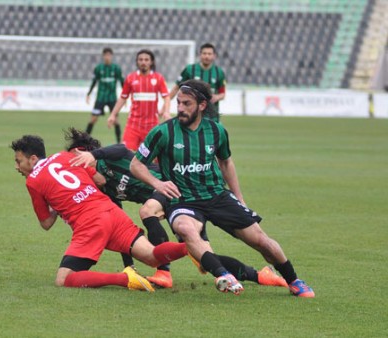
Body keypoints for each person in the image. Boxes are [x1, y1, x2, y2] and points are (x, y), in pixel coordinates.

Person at [129, 79, 314, 297]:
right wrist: (157, 183)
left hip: (217, 195)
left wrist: (239, 197)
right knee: (186, 229)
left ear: (202, 105)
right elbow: (136, 164)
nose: (180, 108)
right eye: (178, 103)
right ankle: (223, 275)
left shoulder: (217, 131)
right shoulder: (163, 132)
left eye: (186, 104)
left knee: (261, 241)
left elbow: (226, 162)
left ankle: (293, 280)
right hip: (183, 200)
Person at [66, 128, 288, 291]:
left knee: (147, 211)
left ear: (87, 155)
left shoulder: (110, 159)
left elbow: (121, 148)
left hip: (173, 188)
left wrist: (95, 155)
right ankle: (260, 275)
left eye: (78, 160)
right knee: (202, 256)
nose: (76, 167)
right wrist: (130, 266)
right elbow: (120, 227)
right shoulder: (104, 189)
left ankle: (164, 272)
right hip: (175, 206)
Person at [11, 135, 189, 291]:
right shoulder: (65, 156)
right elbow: (100, 179)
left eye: (19, 161)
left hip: (89, 223)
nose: (17, 167)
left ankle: (125, 278)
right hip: (111, 211)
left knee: (64, 279)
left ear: (33, 159)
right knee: (152, 257)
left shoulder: (32, 181)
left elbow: (46, 223)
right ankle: (191, 246)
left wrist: (58, 202)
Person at [107, 49, 170, 151]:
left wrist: (166, 111)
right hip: (133, 125)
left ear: (151, 62)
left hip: (152, 125)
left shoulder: (158, 78)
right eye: (140, 59)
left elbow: (166, 96)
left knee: (154, 157)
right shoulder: (130, 78)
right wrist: (113, 114)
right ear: (137, 62)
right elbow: (123, 98)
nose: (143, 62)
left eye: (146, 59)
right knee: (126, 154)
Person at [169, 43, 226, 122]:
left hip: (212, 116)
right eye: (204, 53)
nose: (207, 56)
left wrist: (216, 97)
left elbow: (222, 94)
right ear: (200, 55)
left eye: (209, 54)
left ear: (214, 56)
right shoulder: (189, 69)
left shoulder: (219, 72)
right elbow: (176, 88)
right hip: (190, 114)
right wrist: (166, 106)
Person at [85, 47, 124, 143]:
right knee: (93, 119)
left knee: (116, 121)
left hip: (112, 98)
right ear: (103, 56)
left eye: (109, 55)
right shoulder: (98, 68)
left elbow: (122, 82)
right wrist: (88, 93)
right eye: (105, 55)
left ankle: (119, 143)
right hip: (100, 98)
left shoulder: (116, 68)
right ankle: (84, 140)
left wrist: (125, 97)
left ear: (111, 56)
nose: (107, 57)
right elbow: (94, 82)